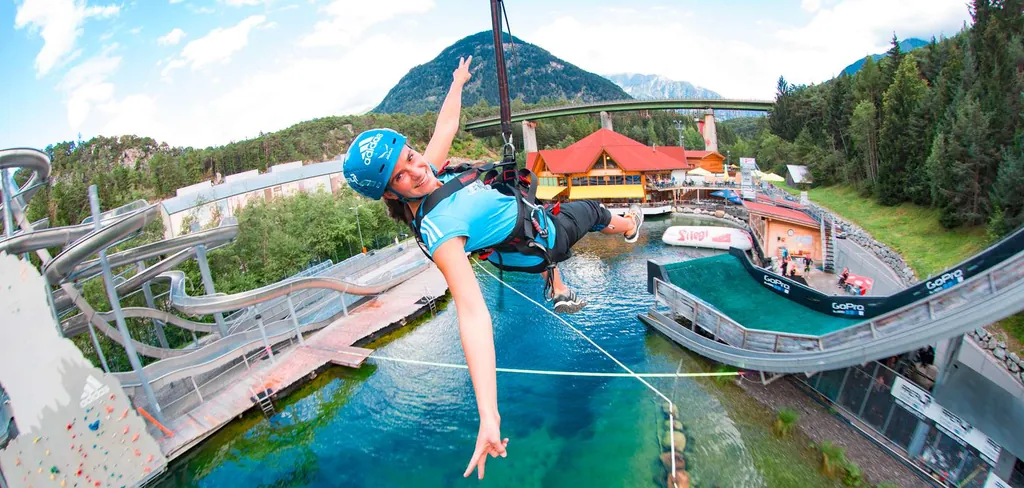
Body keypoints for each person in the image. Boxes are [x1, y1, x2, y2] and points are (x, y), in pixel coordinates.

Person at [341, 56, 644, 480]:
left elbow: (444, 128)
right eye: (404, 176)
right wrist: (489, 414)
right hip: (541, 235)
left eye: (411, 156)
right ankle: (630, 226)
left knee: (531, 199)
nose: (418, 170)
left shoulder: (425, 176)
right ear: (391, 195)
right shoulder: (441, 231)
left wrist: (457, 82)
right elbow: (471, 313)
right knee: (591, 211)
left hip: (517, 230)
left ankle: (556, 285)